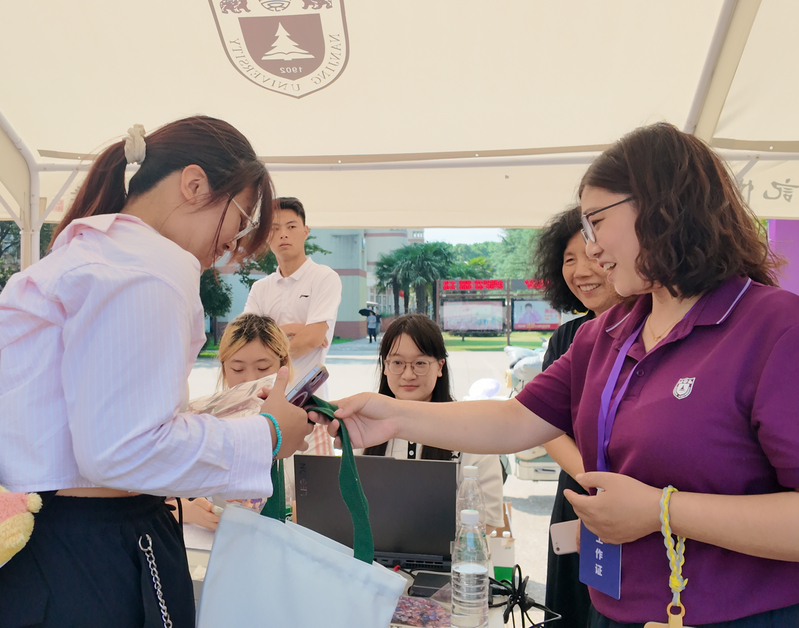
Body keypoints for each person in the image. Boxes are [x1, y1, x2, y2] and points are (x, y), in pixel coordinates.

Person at [319, 123, 799, 627]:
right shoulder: (607, 334)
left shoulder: (773, 328)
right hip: (615, 610)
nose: (591, 249)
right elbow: (514, 420)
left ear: (664, 207)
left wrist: (663, 511)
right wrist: (394, 415)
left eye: (597, 222)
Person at [0, 116, 313, 628]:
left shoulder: (92, 255)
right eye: (242, 218)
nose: (235, 245)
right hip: (94, 549)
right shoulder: (147, 269)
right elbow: (120, 449)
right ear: (194, 185)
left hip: (46, 545)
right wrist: (268, 434)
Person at [533, 205, 620, 628]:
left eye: (590, 254)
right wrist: (593, 481)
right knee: (569, 610)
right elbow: (539, 423)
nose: (581, 270)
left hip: (634, 506)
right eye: (569, 259)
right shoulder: (570, 337)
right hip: (580, 497)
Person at [362, 314, 504, 531]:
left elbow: (489, 522)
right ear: (385, 367)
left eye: (420, 363)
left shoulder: (472, 434)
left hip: (451, 552)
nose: (408, 375)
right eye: (397, 363)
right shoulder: (365, 428)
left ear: (440, 366)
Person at [177, 312, 293, 531]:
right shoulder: (205, 422)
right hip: (216, 543)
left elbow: (323, 501)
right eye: (238, 369)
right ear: (224, 368)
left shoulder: (306, 422)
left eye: (263, 368)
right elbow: (158, 498)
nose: (251, 379)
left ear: (283, 366)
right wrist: (189, 510)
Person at [243, 196, 342, 454]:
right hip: (265, 407)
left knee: (315, 477)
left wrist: (269, 343)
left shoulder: (324, 278)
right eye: (275, 228)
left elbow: (313, 338)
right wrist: (289, 330)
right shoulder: (260, 288)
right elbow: (244, 344)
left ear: (305, 231)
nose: (283, 234)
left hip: (311, 407)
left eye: (291, 226)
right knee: (268, 477)